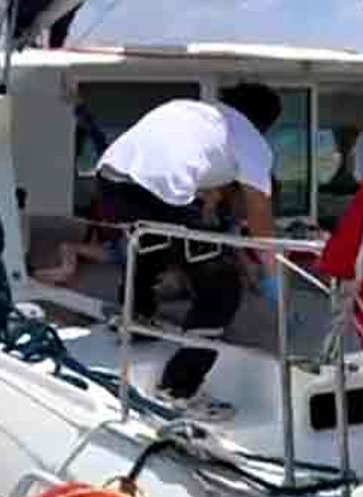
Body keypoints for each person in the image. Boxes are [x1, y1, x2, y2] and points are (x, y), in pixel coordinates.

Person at [95, 83, 282, 421]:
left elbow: (186, 164)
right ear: (265, 122)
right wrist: (272, 273)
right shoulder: (251, 140)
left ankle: (134, 318)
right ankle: (179, 387)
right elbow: (259, 211)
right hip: (157, 193)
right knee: (222, 285)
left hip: (110, 182)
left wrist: (205, 203)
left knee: (152, 239)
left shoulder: (187, 110)